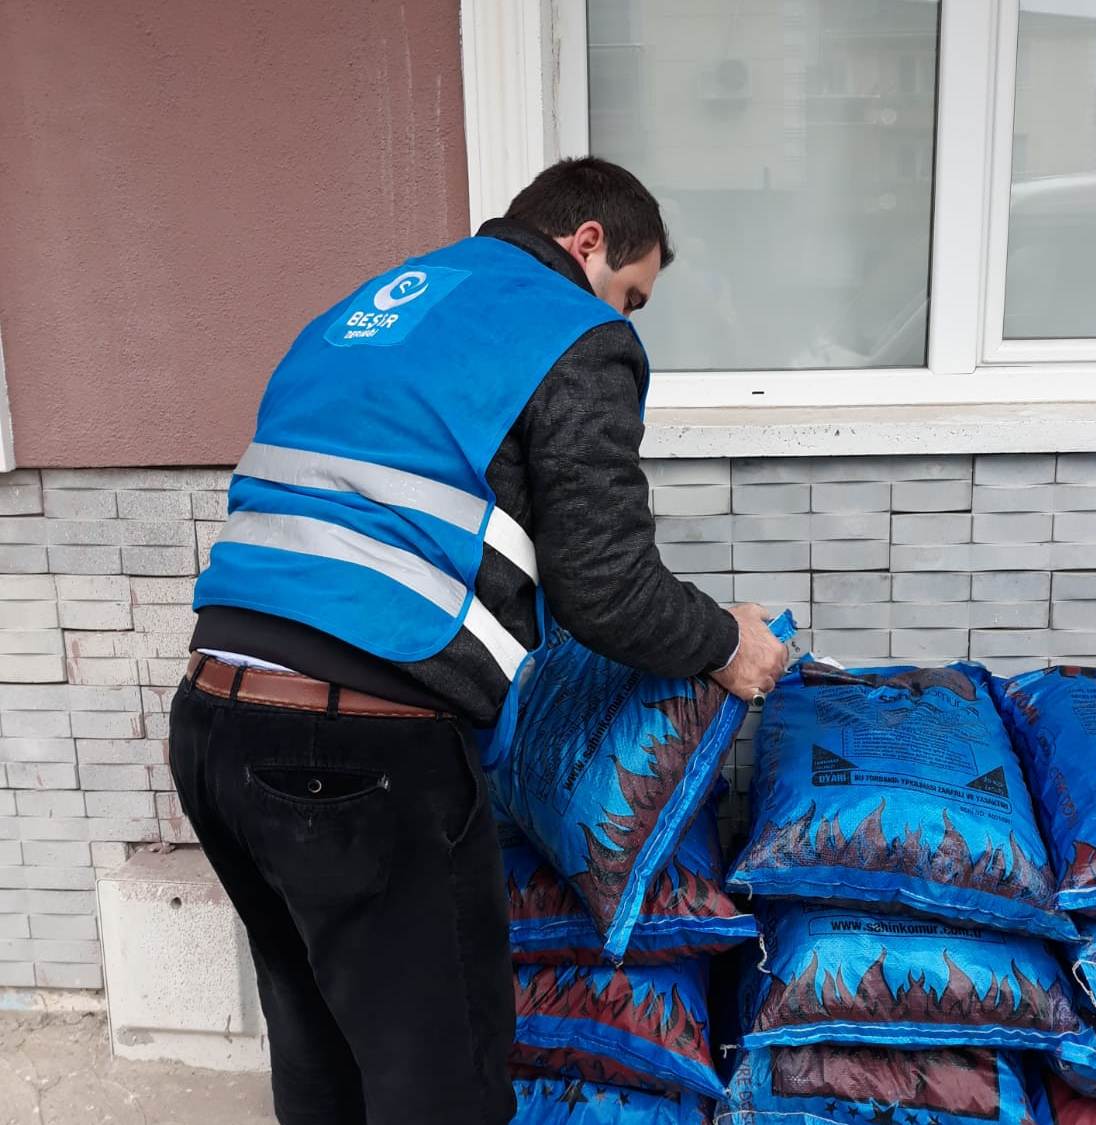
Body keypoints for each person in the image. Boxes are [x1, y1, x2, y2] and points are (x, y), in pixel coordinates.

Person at [169, 157, 788, 1125]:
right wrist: (726, 643)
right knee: (442, 1080)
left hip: (213, 725)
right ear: (587, 242)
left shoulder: (370, 310)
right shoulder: (568, 327)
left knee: (321, 1047)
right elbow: (608, 589)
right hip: (358, 752)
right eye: (631, 294)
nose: (626, 318)